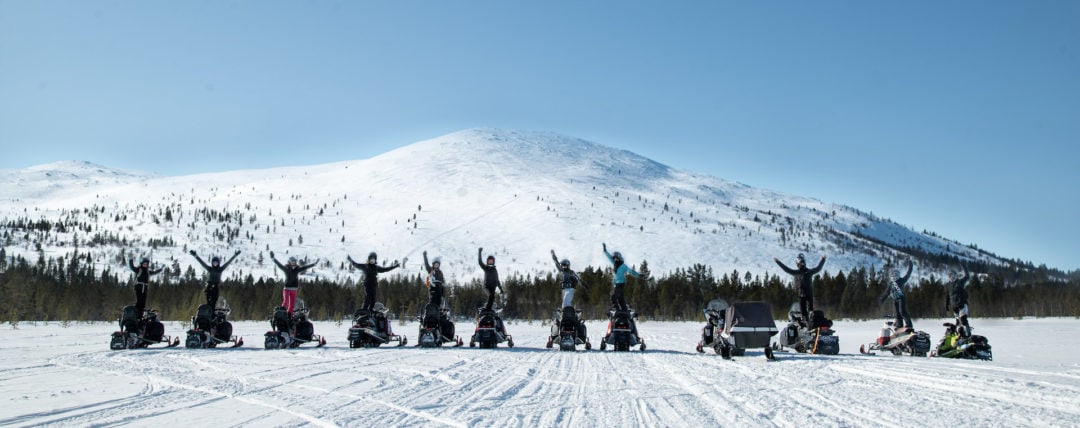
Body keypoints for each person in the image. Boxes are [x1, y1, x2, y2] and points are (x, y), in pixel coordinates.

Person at [774, 253, 827, 327]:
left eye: (803, 262)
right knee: (803, 312)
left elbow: (818, 268)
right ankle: (804, 322)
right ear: (798, 264)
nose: (802, 264)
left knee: (810, 310)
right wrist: (778, 262)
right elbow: (787, 269)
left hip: (809, 294)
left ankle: (811, 322)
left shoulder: (809, 272)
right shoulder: (797, 272)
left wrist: (823, 260)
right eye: (800, 263)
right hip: (801, 295)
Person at [269, 251, 319, 317]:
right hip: (287, 289)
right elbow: (279, 265)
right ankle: (282, 314)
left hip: (294, 289)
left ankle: (289, 317)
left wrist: (314, 264)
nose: (294, 263)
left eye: (295, 261)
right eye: (293, 261)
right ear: (289, 262)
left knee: (292, 305)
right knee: (285, 302)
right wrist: (273, 258)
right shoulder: (286, 268)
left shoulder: (297, 269)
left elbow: (305, 267)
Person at [602, 243, 644, 311]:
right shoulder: (614, 264)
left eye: (616, 258)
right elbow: (609, 257)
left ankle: (616, 308)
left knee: (613, 296)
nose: (615, 259)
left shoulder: (623, 266)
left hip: (620, 284)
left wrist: (639, 275)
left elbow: (631, 271)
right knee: (620, 298)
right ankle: (624, 309)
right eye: (614, 258)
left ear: (619, 258)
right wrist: (605, 250)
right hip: (616, 284)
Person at [878, 260, 915, 331]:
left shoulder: (901, 280)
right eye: (892, 275)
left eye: (894, 275)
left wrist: (910, 266)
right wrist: (882, 299)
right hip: (895, 300)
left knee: (902, 312)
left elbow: (908, 274)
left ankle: (909, 325)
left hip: (901, 299)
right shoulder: (891, 284)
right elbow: (887, 292)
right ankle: (899, 325)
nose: (893, 276)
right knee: (897, 314)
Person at [945, 266, 972, 337]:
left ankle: (968, 334)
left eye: (952, 275)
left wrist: (965, 268)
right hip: (954, 307)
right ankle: (959, 335)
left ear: (955, 275)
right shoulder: (949, 285)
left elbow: (967, 277)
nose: (951, 277)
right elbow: (948, 295)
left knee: (963, 320)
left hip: (962, 304)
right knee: (957, 322)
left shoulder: (960, 282)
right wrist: (947, 305)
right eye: (950, 276)